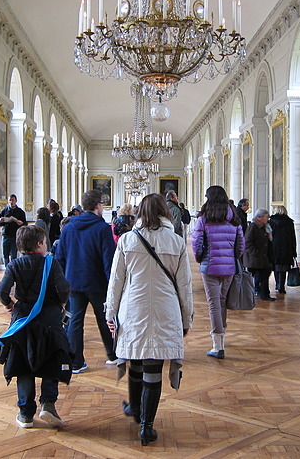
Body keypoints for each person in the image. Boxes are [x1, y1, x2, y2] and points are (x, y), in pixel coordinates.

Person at [105, 193, 193, 446]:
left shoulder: (127, 240)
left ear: (139, 213)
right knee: (153, 368)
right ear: (165, 211)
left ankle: (137, 411)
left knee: (136, 359)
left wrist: (110, 312)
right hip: (166, 309)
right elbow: (184, 285)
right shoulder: (176, 242)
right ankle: (146, 426)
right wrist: (186, 318)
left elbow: (116, 281)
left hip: (133, 308)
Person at [0, 225, 70, 428]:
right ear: (39, 244)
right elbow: (64, 288)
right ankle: (48, 404)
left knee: (23, 365)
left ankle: (26, 413)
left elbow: (2, 291)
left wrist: (9, 305)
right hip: (49, 318)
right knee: (50, 361)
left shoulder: (15, 265)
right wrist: (61, 304)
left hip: (23, 319)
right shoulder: (50, 263)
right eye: (45, 242)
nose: (47, 245)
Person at [54, 190, 117, 372]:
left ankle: (75, 362)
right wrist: (112, 286)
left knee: (75, 321)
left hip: (73, 282)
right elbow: (109, 261)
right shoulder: (103, 228)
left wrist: (65, 280)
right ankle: (112, 355)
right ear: (98, 206)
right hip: (97, 283)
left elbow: (60, 257)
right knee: (104, 318)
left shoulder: (69, 227)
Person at [191, 185, 245, 359]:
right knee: (221, 301)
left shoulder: (204, 219)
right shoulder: (234, 219)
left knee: (214, 303)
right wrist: (234, 258)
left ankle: (217, 344)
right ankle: (221, 336)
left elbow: (197, 242)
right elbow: (240, 244)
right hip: (228, 266)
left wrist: (200, 258)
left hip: (210, 265)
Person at [243, 208, 275, 301]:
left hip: (263, 256)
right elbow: (248, 242)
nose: (267, 219)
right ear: (260, 217)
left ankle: (264, 293)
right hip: (255, 257)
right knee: (260, 275)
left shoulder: (265, 226)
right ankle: (259, 293)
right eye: (266, 217)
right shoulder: (253, 226)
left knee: (265, 275)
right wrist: (255, 253)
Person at [269, 205, 296, 295]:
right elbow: (293, 237)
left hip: (274, 246)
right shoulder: (289, 222)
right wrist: (294, 251)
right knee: (283, 268)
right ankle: (281, 286)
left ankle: (277, 284)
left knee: (276, 266)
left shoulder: (271, 221)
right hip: (286, 246)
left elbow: (269, 235)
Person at [0, 194, 27, 266]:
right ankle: (6, 269)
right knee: (5, 254)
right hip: (6, 235)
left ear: (16, 201)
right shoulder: (4, 211)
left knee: (14, 254)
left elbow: (25, 224)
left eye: (13, 200)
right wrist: (0, 221)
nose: (11, 202)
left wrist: (21, 223)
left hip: (15, 235)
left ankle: (13, 269)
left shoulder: (20, 212)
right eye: (10, 200)